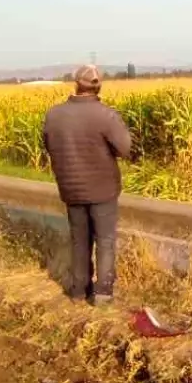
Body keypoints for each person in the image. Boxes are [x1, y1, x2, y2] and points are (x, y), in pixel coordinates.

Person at [42, 64, 133, 305]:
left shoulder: (54, 114)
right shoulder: (105, 114)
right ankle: (103, 293)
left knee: (79, 239)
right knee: (104, 241)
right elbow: (126, 148)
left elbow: (49, 145)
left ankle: (78, 291)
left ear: (76, 83)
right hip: (102, 188)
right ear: (98, 86)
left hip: (70, 188)